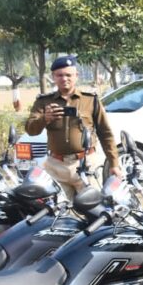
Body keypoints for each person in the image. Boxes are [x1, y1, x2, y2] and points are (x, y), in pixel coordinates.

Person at [25, 55, 121, 202]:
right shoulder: (43, 102)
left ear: (76, 76)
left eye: (68, 75)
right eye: (60, 75)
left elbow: (105, 133)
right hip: (56, 166)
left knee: (92, 208)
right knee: (57, 210)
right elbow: (31, 130)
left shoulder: (90, 100)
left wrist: (114, 164)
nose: (64, 79)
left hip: (86, 164)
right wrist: (45, 118)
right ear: (53, 77)